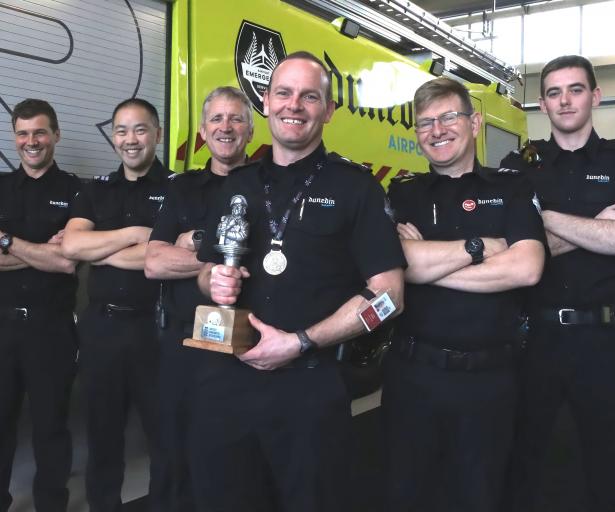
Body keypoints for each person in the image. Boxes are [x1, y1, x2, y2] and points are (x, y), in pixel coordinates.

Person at [193, 51, 406, 512]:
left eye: (310, 96)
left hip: (311, 389)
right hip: (228, 382)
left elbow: (389, 298)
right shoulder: (237, 184)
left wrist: (302, 341)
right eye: (284, 93)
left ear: (328, 110)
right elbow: (205, 269)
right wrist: (214, 281)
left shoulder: (358, 188)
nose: (295, 105)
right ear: (266, 102)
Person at [385, 77, 545, 512]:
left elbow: (527, 268)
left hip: (489, 382)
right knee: (406, 494)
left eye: (448, 117)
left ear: (474, 123)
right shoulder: (402, 192)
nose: (436, 130)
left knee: (481, 495)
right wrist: (478, 249)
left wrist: (422, 264)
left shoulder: (511, 188)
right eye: (425, 123)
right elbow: (391, 267)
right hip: (413, 375)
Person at [500, 55, 615, 512]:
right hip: (535, 339)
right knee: (523, 463)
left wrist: (545, 220)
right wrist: (596, 226)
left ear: (595, 96)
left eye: (575, 89)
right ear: (542, 104)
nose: (565, 100)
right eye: (553, 92)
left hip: (609, 341)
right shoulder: (518, 167)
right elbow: (513, 254)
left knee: (612, 467)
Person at [144, 86, 254, 511]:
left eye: (235, 119)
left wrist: (192, 246)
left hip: (242, 346)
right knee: (172, 451)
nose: (226, 128)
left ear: (250, 129)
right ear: (203, 132)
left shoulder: (268, 188)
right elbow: (153, 261)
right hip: (182, 346)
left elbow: (263, 264)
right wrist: (221, 259)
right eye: (216, 120)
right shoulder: (183, 188)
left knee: (233, 459)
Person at [61, 98, 172, 512]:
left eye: (140, 129)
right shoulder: (96, 190)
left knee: (166, 438)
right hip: (102, 332)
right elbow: (72, 245)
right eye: (121, 130)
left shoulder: (179, 188)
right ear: (113, 138)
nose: (130, 139)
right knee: (103, 438)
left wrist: (100, 249)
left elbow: (168, 256)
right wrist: (135, 233)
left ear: (157, 135)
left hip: (157, 332)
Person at [0, 99, 80, 512]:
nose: (31, 142)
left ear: (56, 135)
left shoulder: (77, 191)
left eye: (40, 132)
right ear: (14, 137)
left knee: (51, 426)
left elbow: (67, 260)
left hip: (52, 330)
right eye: (23, 133)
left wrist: (7, 241)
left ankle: (52, 504)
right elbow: (51, 257)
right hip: (2, 328)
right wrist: (39, 252)